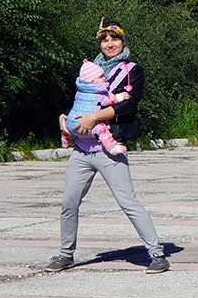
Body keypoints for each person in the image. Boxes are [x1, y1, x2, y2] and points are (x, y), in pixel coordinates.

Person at [44, 19, 168, 274]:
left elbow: (129, 106)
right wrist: (65, 118)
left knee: (127, 202)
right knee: (69, 201)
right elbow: (82, 103)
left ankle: (157, 254)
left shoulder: (132, 70)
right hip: (81, 150)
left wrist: (94, 119)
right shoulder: (89, 70)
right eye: (105, 39)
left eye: (115, 39)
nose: (109, 44)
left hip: (109, 149)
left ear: (123, 41)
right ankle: (66, 254)